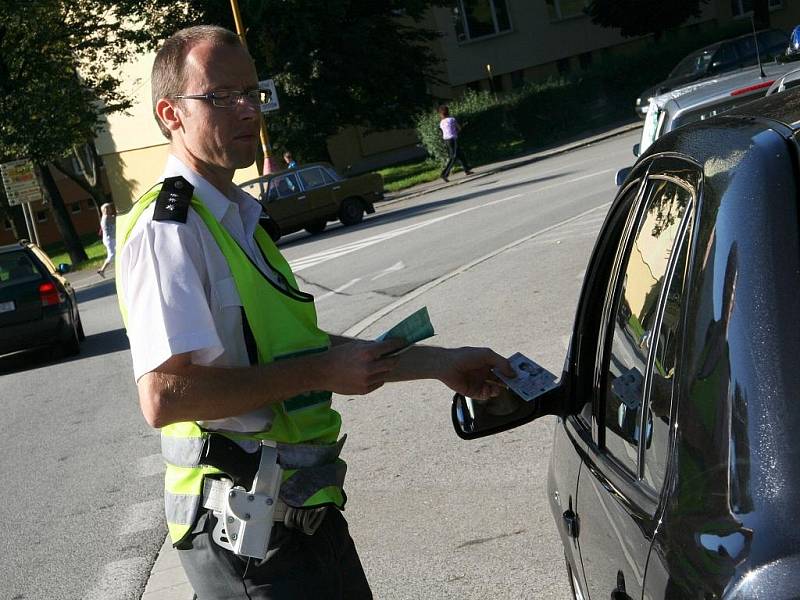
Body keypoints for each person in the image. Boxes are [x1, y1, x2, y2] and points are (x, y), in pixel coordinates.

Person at [116, 25, 512, 600]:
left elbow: (298, 351)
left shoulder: (235, 217)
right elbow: (165, 396)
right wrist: (320, 374)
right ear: (170, 113)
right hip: (248, 541)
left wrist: (441, 363)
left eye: (254, 93)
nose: (248, 109)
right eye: (222, 97)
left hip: (301, 514)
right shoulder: (168, 230)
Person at [438, 105, 472, 182]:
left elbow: (442, 132)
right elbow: (459, 128)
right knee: (453, 157)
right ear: (448, 112)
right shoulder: (452, 119)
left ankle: (467, 170)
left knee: (460, 154)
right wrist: (457, 131)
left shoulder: (441, 122)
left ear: (441, 114)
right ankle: (444, 174)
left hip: (446, 141)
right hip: (453, 139)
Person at [97, 202, 116, 277]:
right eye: (107, 208)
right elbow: (116, 218)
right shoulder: (106, 218)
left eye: (109, 208)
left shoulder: (108, 217)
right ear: (103, 211)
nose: (109, 209)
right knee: (112, 255)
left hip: (112, 238)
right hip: (109, 239)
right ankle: (102, 270)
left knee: (118, 251)